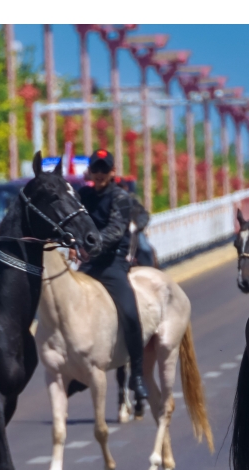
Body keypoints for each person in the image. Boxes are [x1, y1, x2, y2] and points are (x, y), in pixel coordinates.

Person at [75, 149, 148, 403]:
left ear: (113, 172)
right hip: (88, 264)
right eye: (96, 169)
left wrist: (90, 246)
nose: (100, 174)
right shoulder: (81, 195)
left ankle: (137, 376)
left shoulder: (121, 197)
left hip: (113, 265)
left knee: (129, 313)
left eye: (105, 169)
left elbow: (116, 231)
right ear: (90, 172)